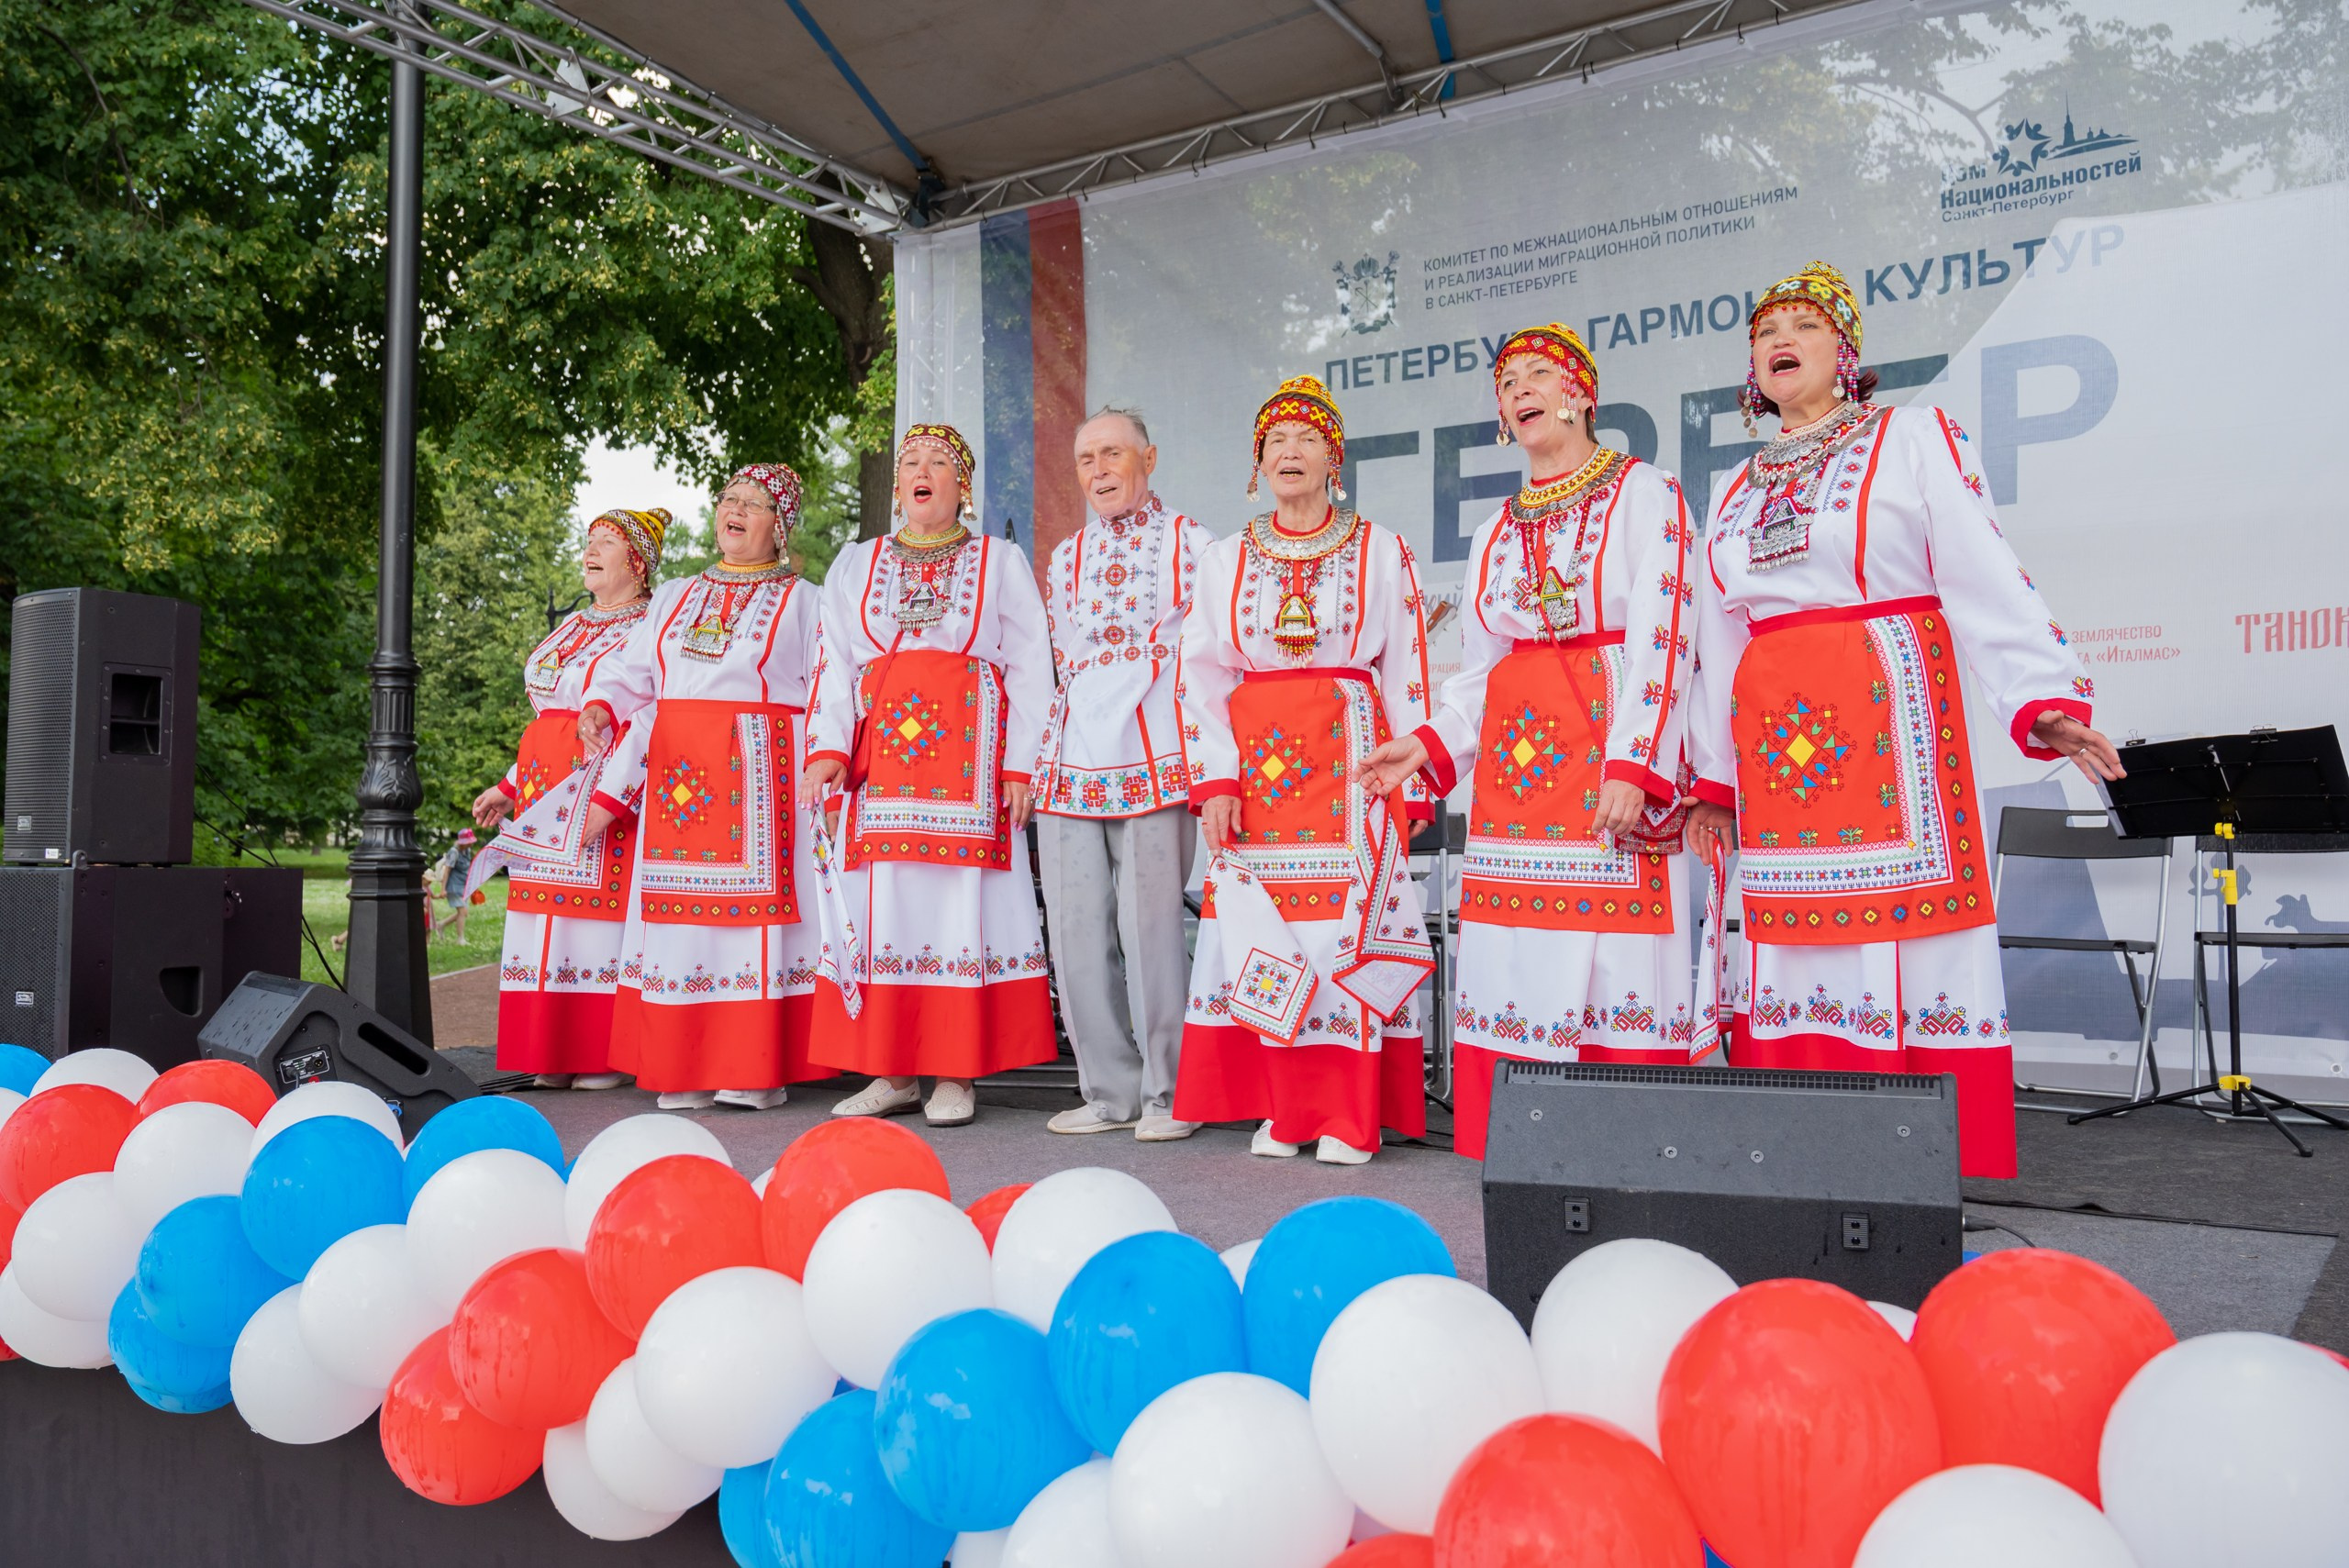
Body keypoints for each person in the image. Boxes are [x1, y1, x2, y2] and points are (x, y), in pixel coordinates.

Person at [1683, 261, 2123, 1180]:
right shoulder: (1732, 486)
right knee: (1791, 929)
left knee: (1900, 924)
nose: (1779, 340)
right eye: (1764, 330)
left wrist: (2043, 700)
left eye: (1802, 323)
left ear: (1846, 354)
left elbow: (1978, 570)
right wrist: (1714, 777)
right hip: (1774, 737)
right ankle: (1802, 1145)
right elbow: (1716, 643)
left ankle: (1909, 1155)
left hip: (1885, 713)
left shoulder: (1912, 438)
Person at [1354, 325, 1707, 1160]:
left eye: (1540, 373)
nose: (1521, 389)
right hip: (1517, 774)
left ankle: (1625, 1140)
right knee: (1519, 949)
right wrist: (1429, 743)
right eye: (1508, 381)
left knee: (1616, 950)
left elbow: (1667, 637)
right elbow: (1482, 671)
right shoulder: (1494, 533)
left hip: (1603, 755)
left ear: (1581, 391)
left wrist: (1637, 762)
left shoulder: (1643, 492)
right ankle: (1526, 1137)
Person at [1171, 374, 1437, 1166]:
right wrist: (1214, 781)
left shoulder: (1381, 549)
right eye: (1275, 441)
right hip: (1257, 772)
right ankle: (1286, 1110)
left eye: (1307, 439)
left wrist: (1410, 782)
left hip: (1353, 767)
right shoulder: (1225, 558)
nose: (1291, 451)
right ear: (1258, 463)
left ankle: (1349, 1114)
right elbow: (1200, 676)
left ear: (1334, 460)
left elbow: (1408, 671)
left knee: (1337, 929)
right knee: (1263, 929)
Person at [799, 424, 1059, 1127]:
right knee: (885, 907)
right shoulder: (856, 564)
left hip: (970, 761)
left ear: (962, 486)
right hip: (879, 761)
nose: (922, 470)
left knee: (955, 910)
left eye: (940, 462)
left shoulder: (999, 561)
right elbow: (833, 666)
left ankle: (955, 1072)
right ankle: (891, 1071)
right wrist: (825, 748)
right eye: (911, 461)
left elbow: (1034, 666)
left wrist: (1020, 761)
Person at [577, 465, 827, 1112]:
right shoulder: (677, 595)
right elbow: (633, 670)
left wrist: (822, 760)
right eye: (729, 498)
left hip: (759, 769)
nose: (736, 510)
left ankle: (751, 1067)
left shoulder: (806, 600)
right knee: (680, 919)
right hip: (682, 774)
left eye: (756, 503)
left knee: (747, 926)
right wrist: (602, 706)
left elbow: (831, 685)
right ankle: (681, 1062)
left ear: (781, 524)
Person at [1030, 407, 1214, 1142]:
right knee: (1075, 927)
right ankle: (1109, 1090)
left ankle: (1171, 1090)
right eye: (1085, 459)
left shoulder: (1193, 543)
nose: (1099, 470)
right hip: (1074, 756)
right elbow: (1066, 656)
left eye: (1112, 454)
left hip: (1156, 750)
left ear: (1150, 457)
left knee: (1152, 929)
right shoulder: (1065, 556)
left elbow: (1203, 653)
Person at [470, 507, 662, 1090]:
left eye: (607, 541)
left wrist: (614, 796)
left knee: (589, 916)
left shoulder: (651, 626)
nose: (591, 549)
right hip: (539, 786)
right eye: (589, 540)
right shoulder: (572, 627)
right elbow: (546, 718)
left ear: (638, 562)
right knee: (542, 916)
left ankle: (596, 1052)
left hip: (600, 779)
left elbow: (645, 716)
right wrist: (508, 786)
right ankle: (551, 1050)